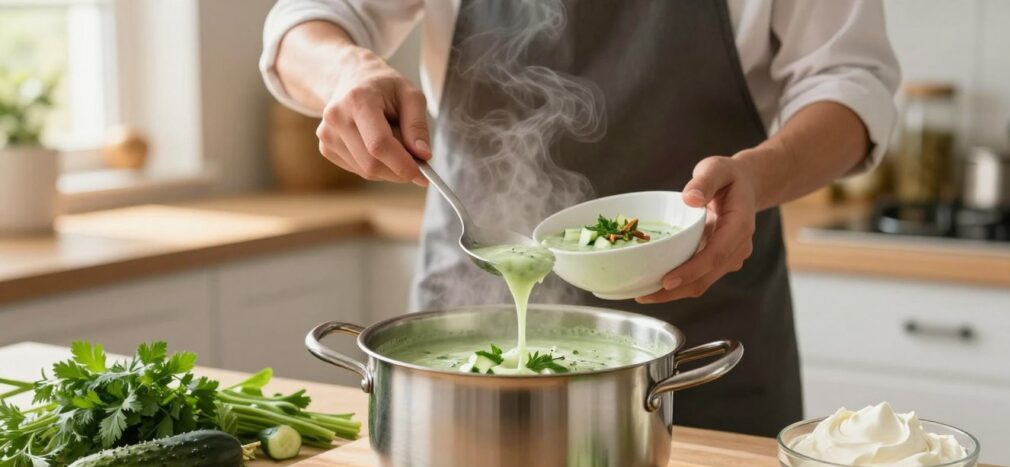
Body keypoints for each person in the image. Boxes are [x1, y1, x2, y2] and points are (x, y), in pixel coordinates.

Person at [260, 0, 900, 437]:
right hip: (470, 314)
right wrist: (348, 70)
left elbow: (850, 82)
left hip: (704, 342)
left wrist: (758, 177)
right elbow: (302, 22)